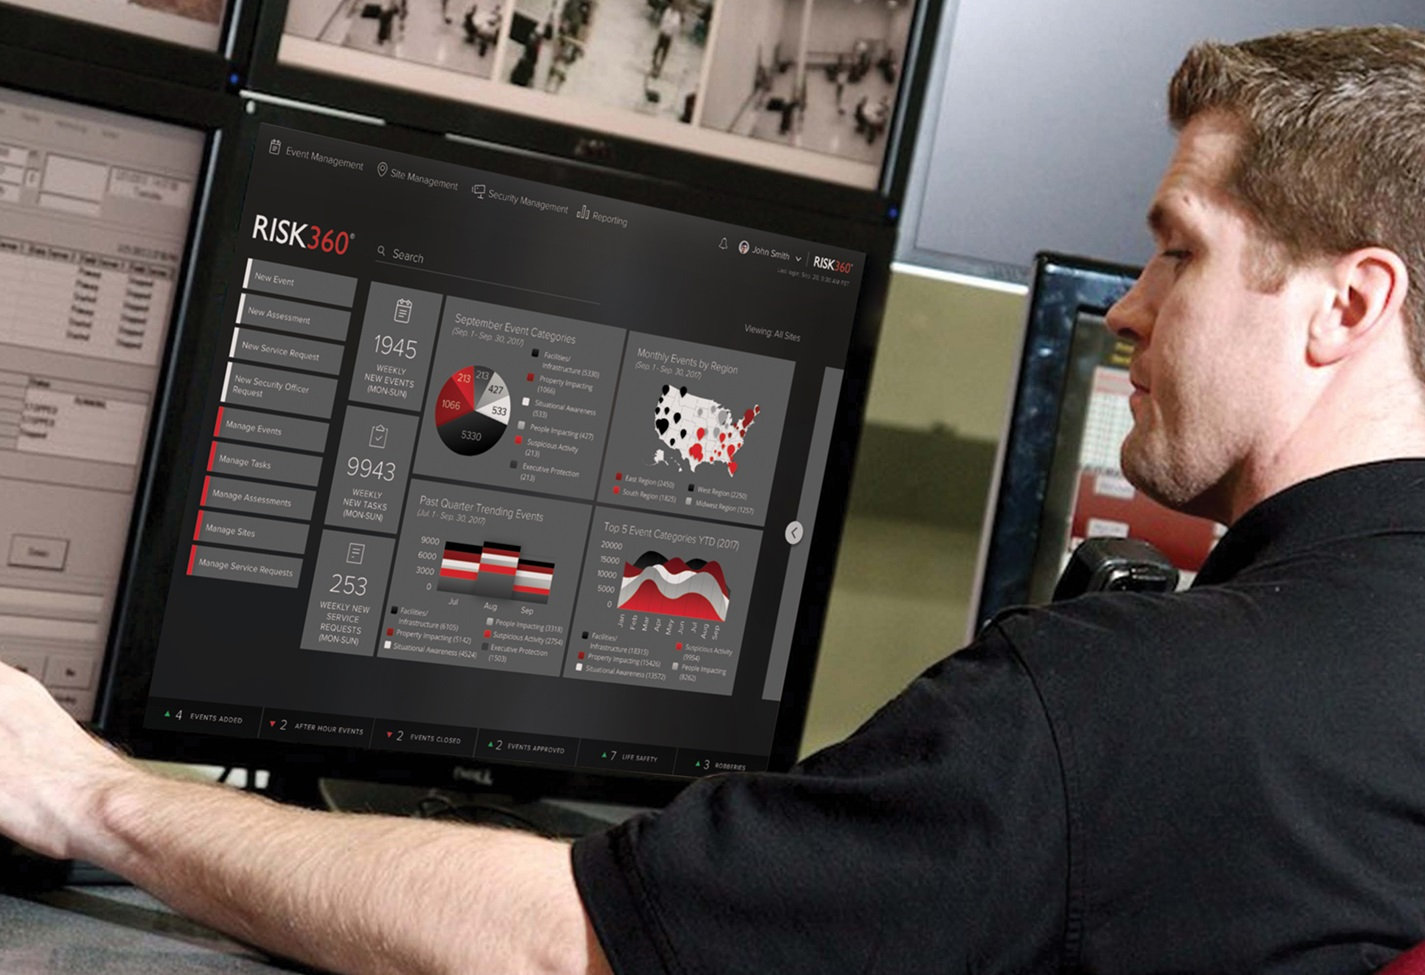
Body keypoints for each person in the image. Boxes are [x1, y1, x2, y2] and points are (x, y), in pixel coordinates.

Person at [4, 23, 1425, 975]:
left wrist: (96, 794)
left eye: (1175, 251)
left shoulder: (1125, 710)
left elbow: (576, 939)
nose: (1127, 308)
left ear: (1347, 303)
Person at [650, 2, 681, 77]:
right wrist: (661, 30)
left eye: (676, 6)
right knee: (657, 49)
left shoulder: (677, 16)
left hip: (669, 36)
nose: (674, 7)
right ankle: (654, 64)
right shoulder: (667, 11)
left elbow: (676, 27)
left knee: (664, 52)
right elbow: (663, 21)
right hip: (663, 33)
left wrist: (673, 35)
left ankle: (659, 67)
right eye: (673, 5)